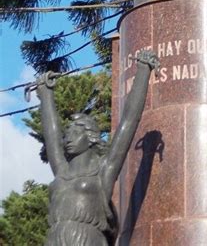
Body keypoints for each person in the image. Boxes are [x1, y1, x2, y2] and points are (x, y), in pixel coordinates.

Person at [35, 49, 158, 245]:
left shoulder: (103, 170)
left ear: (91, 137)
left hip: (89, 238)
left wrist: (143, 71)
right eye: (67, 134)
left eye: (76, 133)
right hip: (55, 238)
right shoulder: (62, 169)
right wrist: (45, 94)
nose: (68, 138)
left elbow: (128, 123)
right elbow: (52, 134)